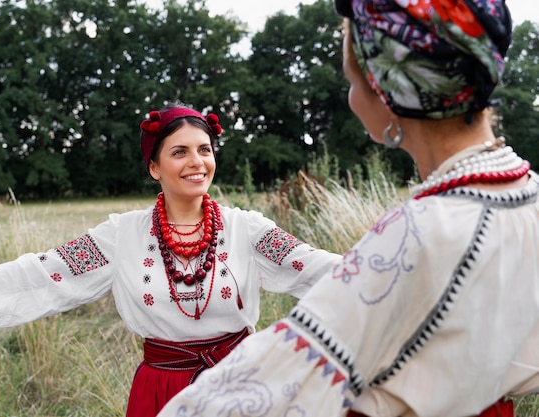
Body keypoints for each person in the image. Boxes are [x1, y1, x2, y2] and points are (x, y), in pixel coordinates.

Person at [156, 1, 539, 417]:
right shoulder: (524, 197)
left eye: (352, 81)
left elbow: (267, 387)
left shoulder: (420, 234)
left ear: (389, 92)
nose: (351, 97)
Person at [0, 102, 342, 416]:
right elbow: (41, 275)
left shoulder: (248, 230)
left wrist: (401, 275)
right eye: (180, 152)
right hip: (162, 390)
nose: (197, 162)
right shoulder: (120, 237)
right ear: (154, 166)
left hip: (243, 382)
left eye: (205, 149)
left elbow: (320, 268)